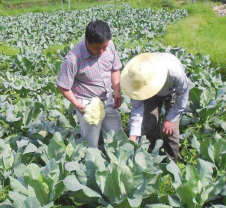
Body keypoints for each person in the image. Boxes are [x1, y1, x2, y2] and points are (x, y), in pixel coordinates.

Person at [56, 20, 123, 148]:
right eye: (97, 48)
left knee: (116, 136)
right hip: (87, 103)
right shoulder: (73, 58)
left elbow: (115, 69)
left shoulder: (110, 46)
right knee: (91, 142)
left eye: (104, 47)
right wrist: (76, 103)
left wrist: (117, 92)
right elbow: (62, 85)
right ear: (87, 40)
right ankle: (92, 165)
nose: (102, 51)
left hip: (108, 98)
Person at [121, 52, 190, 161]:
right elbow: (137, 109)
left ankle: (170, 164)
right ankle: (150, 157)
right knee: (149, 127)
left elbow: (183, 96)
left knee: (172, 133)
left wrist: (170, 119)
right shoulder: (136, 79)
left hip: (173, 92)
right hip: (150, 96)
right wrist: (133, 136)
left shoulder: (175, 72)